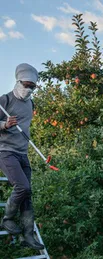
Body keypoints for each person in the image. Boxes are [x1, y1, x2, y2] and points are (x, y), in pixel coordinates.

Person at [0, 63, 44, 250]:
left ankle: (28, 235)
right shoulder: (5, 100)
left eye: (32, 87)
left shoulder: (31, 103)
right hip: (6, 151)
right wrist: (4, 125)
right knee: (22, 186)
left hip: (22, 153)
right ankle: (7, 219)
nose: (28, 89)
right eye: (26, 85)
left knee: (27, 194)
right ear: (18, 81)